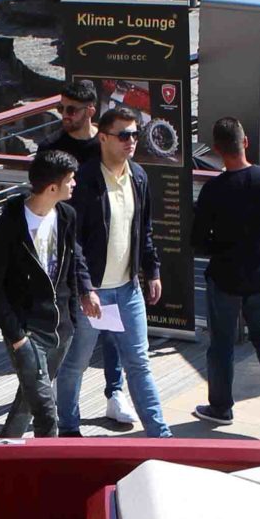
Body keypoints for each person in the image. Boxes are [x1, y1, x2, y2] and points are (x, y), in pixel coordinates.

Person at [189, 116, 260, 433]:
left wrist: (220, 247)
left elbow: (198, 240)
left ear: (217, 150)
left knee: (221, 343)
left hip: (225, 276)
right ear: (245, 142)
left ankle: (220, 407)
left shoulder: (213, 190)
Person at [65, 105, 170, 438]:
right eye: (123, 135)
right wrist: (85, 288)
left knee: (139, 363)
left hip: (128, 288)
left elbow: (144, 229)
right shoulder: (84, 180)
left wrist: (152, 270)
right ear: (103, 138)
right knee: (76, 363)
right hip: (92, 291)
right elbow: (73, 240)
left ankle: (160, 436)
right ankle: (68, 431)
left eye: (135, 134)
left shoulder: (138, 176)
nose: (131, 141)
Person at [0, 150, 98, 439]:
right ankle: (50, 459)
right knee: (46, 413)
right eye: (70, 180)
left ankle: (4, 450)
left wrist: (84, 295)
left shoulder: (67, 216)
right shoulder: (9, 226)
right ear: (52, 188)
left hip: (61, 328)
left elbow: (75, 259)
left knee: (29, 397)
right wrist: (17, 337)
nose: (74, 184)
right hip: (27, 332)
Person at [44, 78, 130, 428]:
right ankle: (61, 402)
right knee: (67, 331)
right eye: (61, 108)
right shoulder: (51, 148)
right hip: (65, 252)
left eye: (72, 109)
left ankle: (115, 393)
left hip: (105, 252)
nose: (65, 115)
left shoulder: (105, 144)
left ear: (91, 110)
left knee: (112, 330)